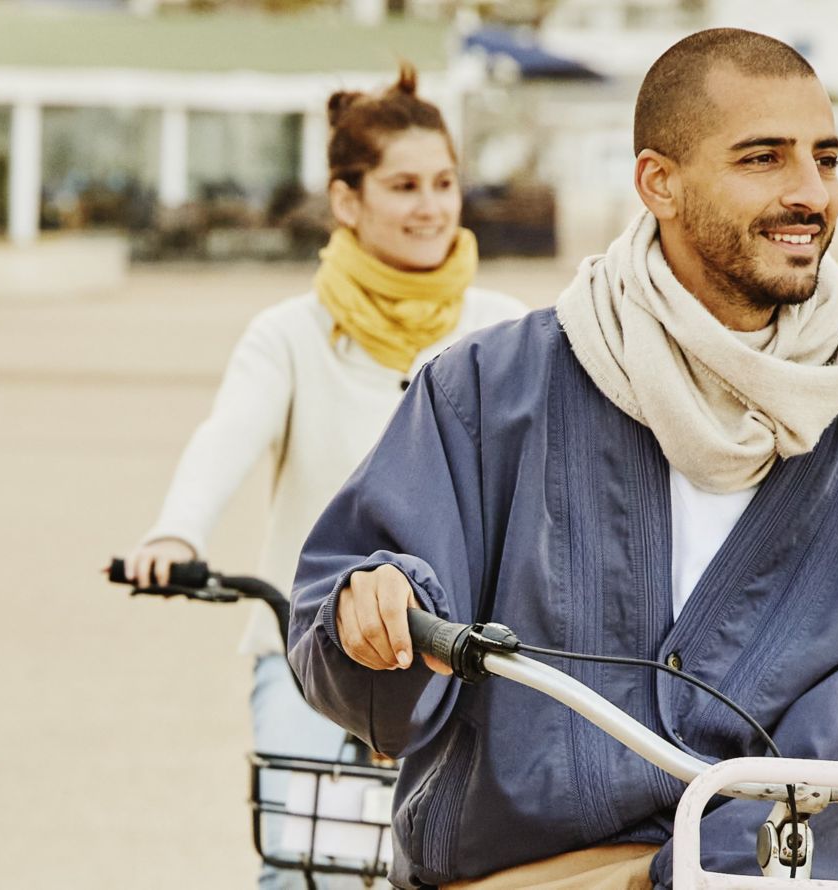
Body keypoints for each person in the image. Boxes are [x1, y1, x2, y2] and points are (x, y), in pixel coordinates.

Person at [283, 29, 838, 890]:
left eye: (826, 159)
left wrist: (679, 880)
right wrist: (370, 612)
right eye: (763, 158)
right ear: (657, 183)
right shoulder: (484, 393)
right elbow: (344, 658)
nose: (810, 193)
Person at [114, 62, 530, 890]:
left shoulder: (504, 332)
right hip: (308, 648)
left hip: (465, 662)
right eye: (404, 185)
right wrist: (177, 533)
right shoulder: (291, 335)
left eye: (444, 182)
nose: (431, 206)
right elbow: (228, 435)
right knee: (309, 866)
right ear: (347, 199)